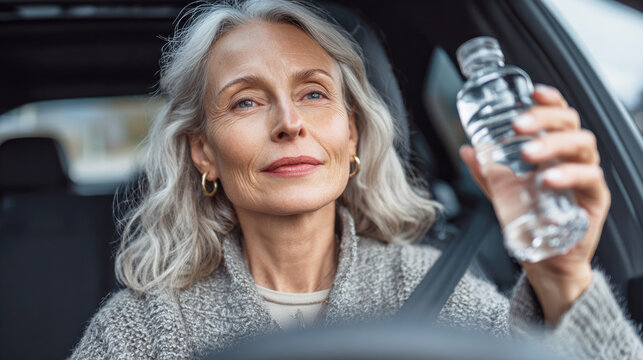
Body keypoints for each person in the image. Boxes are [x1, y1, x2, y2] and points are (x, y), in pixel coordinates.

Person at [71, 0, 642, 359]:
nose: (289, 123)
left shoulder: (443, 294)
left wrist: (564, 280)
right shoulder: (143, 332)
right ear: (204, 154)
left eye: (314, 93)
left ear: (352, 135)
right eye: (246, 102)